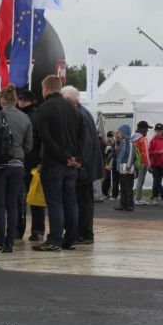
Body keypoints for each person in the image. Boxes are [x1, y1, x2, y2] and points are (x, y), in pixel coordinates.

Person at [33, 75, 84, 252]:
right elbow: (82, 136)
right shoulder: (74, 109)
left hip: (54, 163)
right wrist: (76, 158)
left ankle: (55, 239)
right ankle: (71, 239)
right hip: (72, 165)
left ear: (46, 88)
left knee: (55, 202)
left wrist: (63, 157)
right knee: (71, 201)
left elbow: (45, 138)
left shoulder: (43, 109)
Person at [0, 84, 33, 252]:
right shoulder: (25, 118)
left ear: (3, 99)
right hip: (18, 164)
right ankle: (10, 243)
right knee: (12, 204)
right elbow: (29, 145)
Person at [62, 85, 104, 244]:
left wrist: (79, 162)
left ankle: (84, 233)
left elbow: (85, 141)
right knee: (84, 200)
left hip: (84, 166)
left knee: (83, 201)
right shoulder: (83, 112)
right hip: (88, 165)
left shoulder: (79, 114)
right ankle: (83, 232)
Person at [16, 89, 45, 241]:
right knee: (26, 198)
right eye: (19, 100)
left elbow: (42, 140)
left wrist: (41, 161)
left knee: (33, 197)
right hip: (25, 160)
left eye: (23, 100)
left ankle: (35, 229)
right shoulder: (29, 115)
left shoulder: (35, 116)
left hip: (31, 162)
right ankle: (31, 229)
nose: (21, 103)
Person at [113, 125, 137, 211]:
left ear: (124, 132)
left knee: (128, 188)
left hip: (127, 170)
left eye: (119, 132)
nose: (118, 134)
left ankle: (129, 205)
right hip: (121, 169)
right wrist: (117, 150)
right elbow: (119, 156)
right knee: (122, 187)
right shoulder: (123, 143)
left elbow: (131, 155)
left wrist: (128, 167)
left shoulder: (130, 143)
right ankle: (122, 204)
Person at [148, 123, 163, 205]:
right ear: (155, 131)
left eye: (160, 130)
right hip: (156, 164)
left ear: (162, 131)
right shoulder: (153, 140)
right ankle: (155, 197)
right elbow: (149, 152)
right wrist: (158, 152)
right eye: (157, 130)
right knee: (156, 182)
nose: (159, 132)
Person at [133, 121, 152, 205]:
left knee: (135, 181)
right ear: (142, 129)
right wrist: (149, 165)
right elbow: (145, 154)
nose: (147, 130)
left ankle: (136, 198)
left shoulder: (132, 138)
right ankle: (138, 199)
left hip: (133, 163)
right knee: (140, 181)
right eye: (146, 128)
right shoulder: (142, 139)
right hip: (142, 163)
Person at [102, 131, 118, 201]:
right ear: (109, 137)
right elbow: (106, 154)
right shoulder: (108, 144)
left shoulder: (112, 143)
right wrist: (106, 164)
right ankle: (104, 193)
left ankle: (106, 193)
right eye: (112, 137)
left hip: (110, 163)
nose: (113, 138)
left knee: (109, 179)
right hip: (108, 164)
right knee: (107, 179)